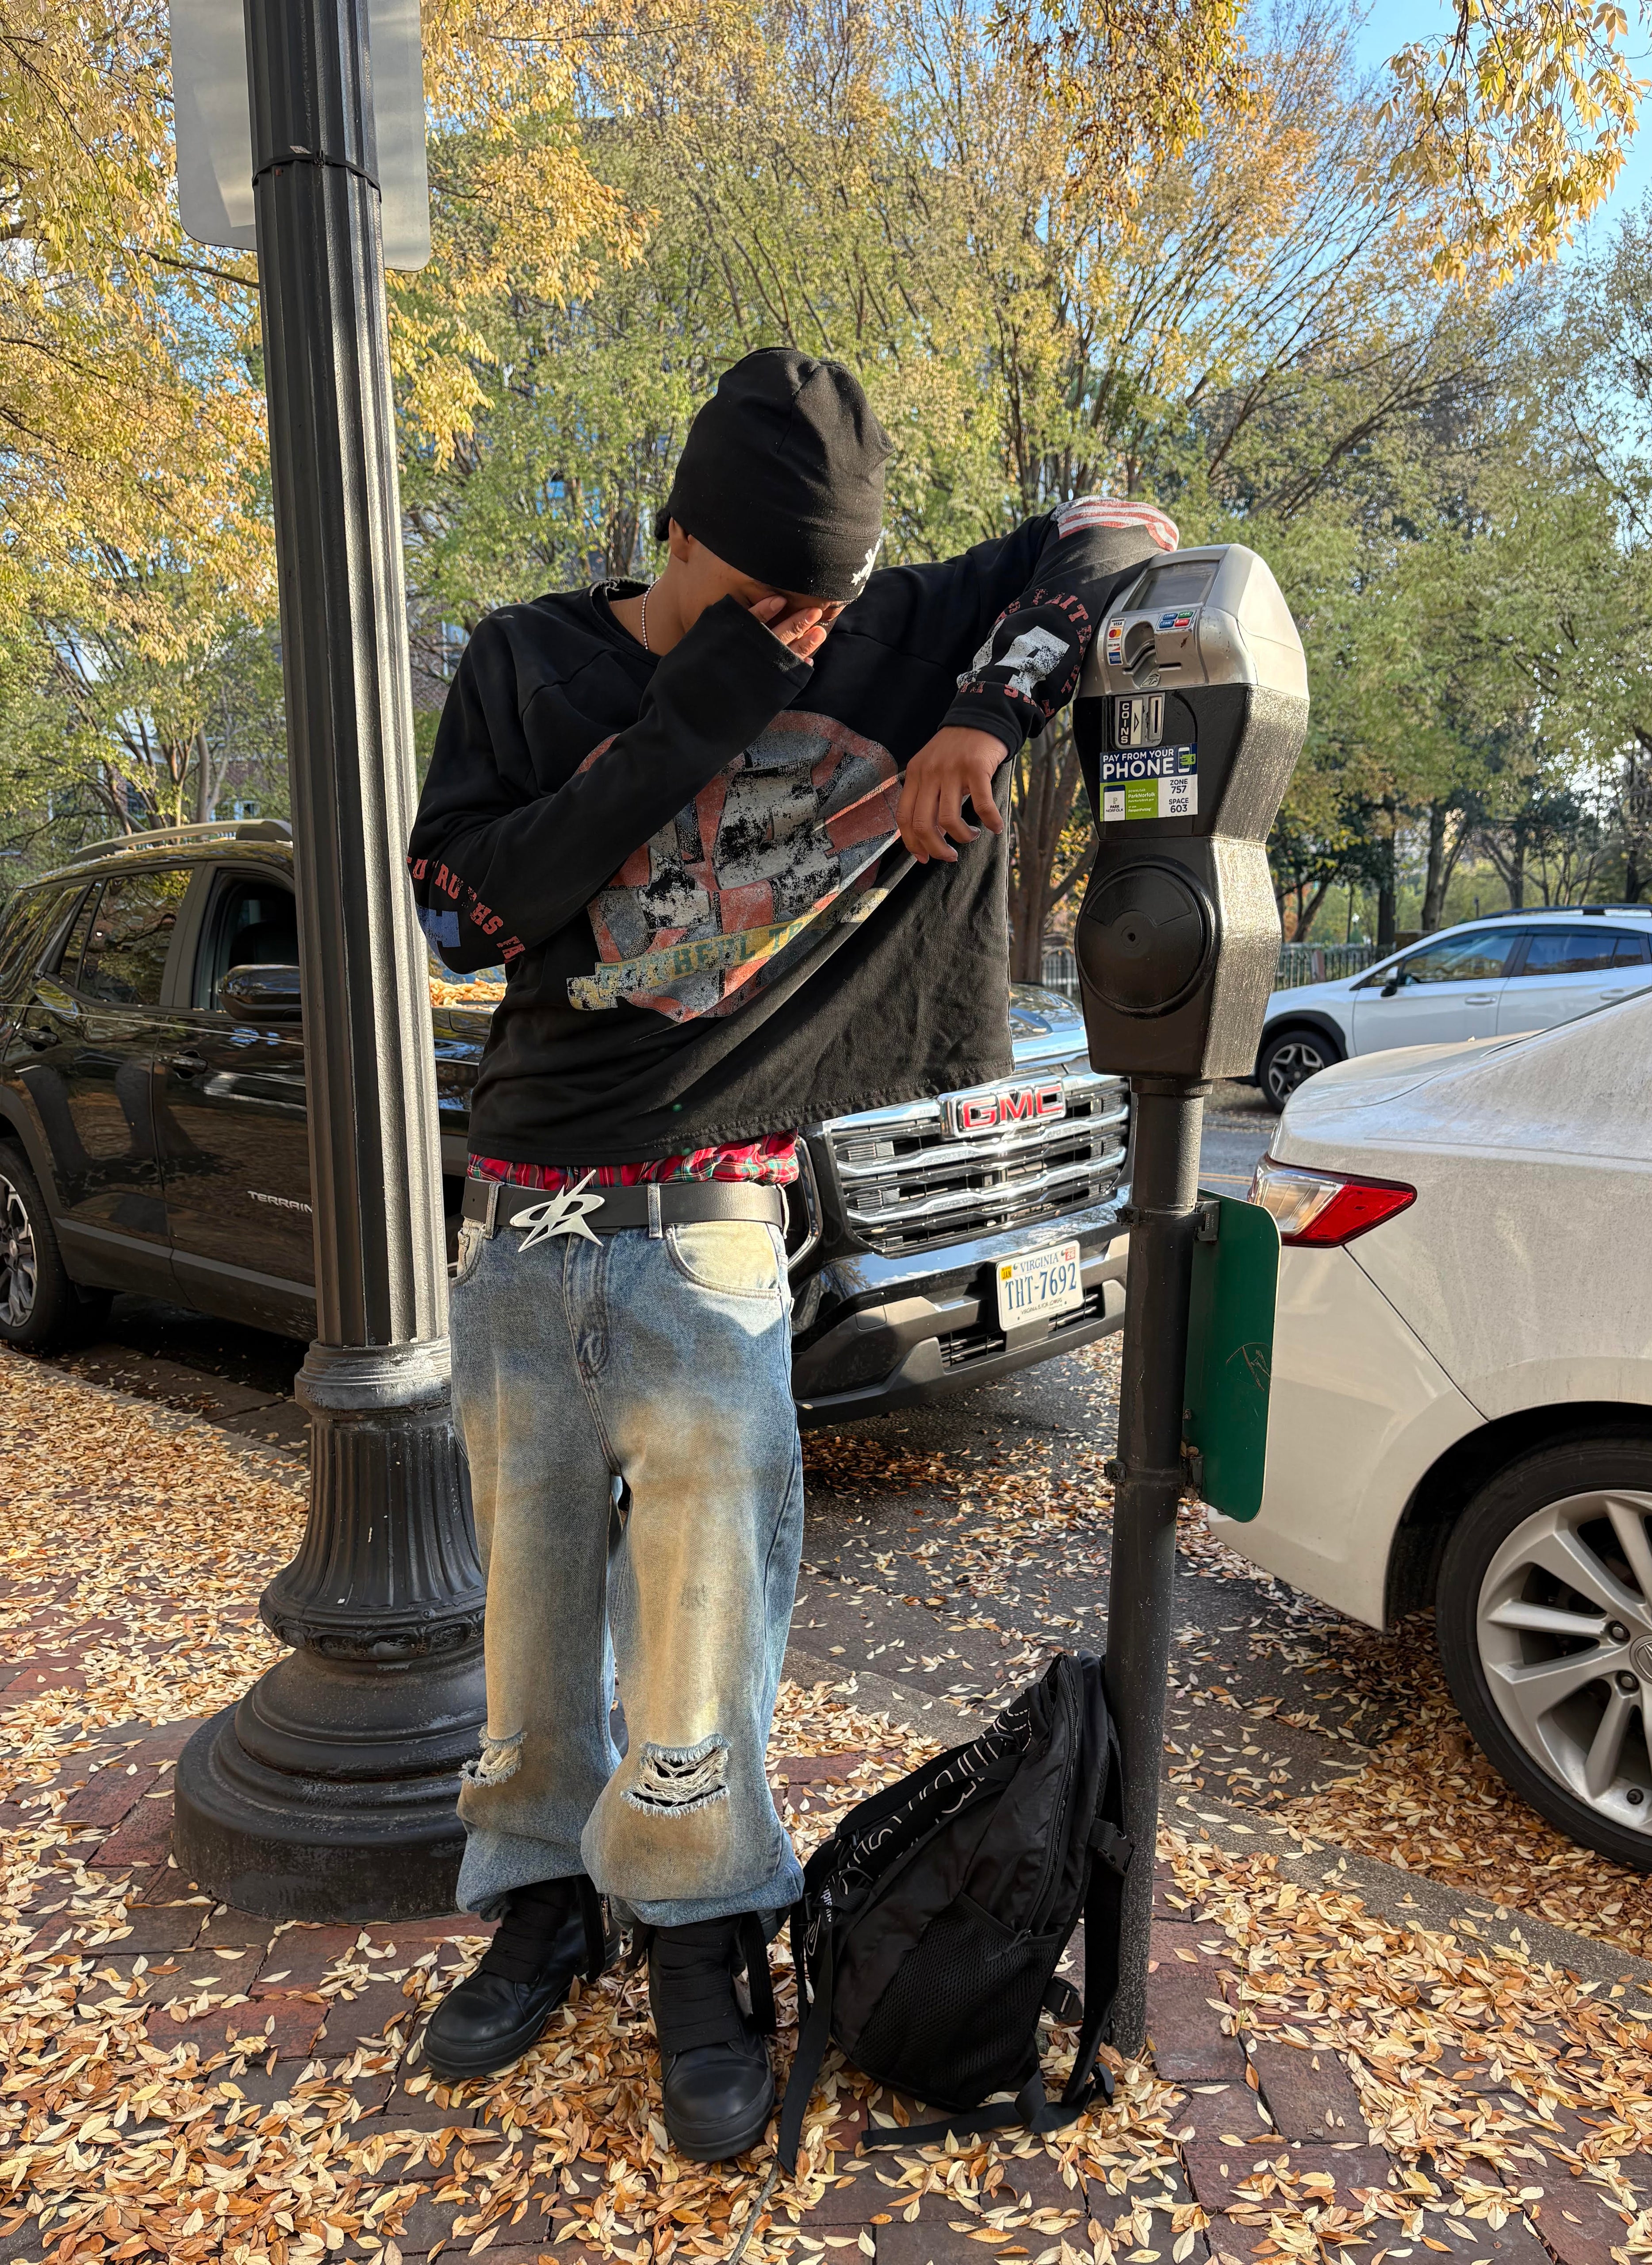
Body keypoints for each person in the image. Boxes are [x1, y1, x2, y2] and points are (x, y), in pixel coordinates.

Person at [406, 346, 1177, 2161]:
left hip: (714, 1229)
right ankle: (543, 1905)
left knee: (705, 1622)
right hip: (525, 1215)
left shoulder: (880, 631)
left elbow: (1122, 530)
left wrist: (983, 716)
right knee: (530, 1625)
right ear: (675, 534)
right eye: (767, 600)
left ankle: (699, 1931)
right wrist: (687, 722)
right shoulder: (531, 659)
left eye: (827, 601)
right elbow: (458, 915)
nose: (806, 636)